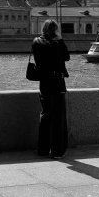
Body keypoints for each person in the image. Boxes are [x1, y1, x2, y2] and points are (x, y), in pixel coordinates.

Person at [31, 19, 70, 158]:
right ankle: (57, 151)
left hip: (44, 83)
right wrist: (60, 40)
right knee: (58, 118)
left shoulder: (36, 42)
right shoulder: (55, 44)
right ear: (54, 30)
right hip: (57, 82)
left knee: (46, 115)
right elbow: (66, 56)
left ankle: (42, 149)